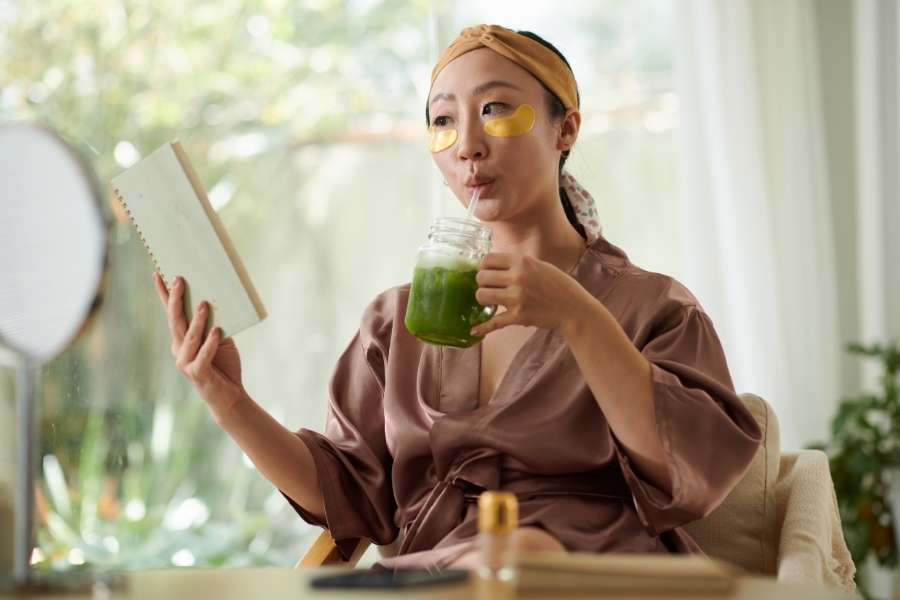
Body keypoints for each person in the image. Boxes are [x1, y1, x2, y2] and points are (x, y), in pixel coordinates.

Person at [153, 24, 762, 571]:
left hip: (585, 577)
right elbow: (351, 494)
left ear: (566, 128)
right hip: (437, 575)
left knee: (521, 554)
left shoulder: (653, 308)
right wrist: (228, 402)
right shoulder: (397, 322)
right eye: (443, 121)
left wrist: (579, 316)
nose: (467, 143)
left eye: (495, 109)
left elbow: (691, 476)